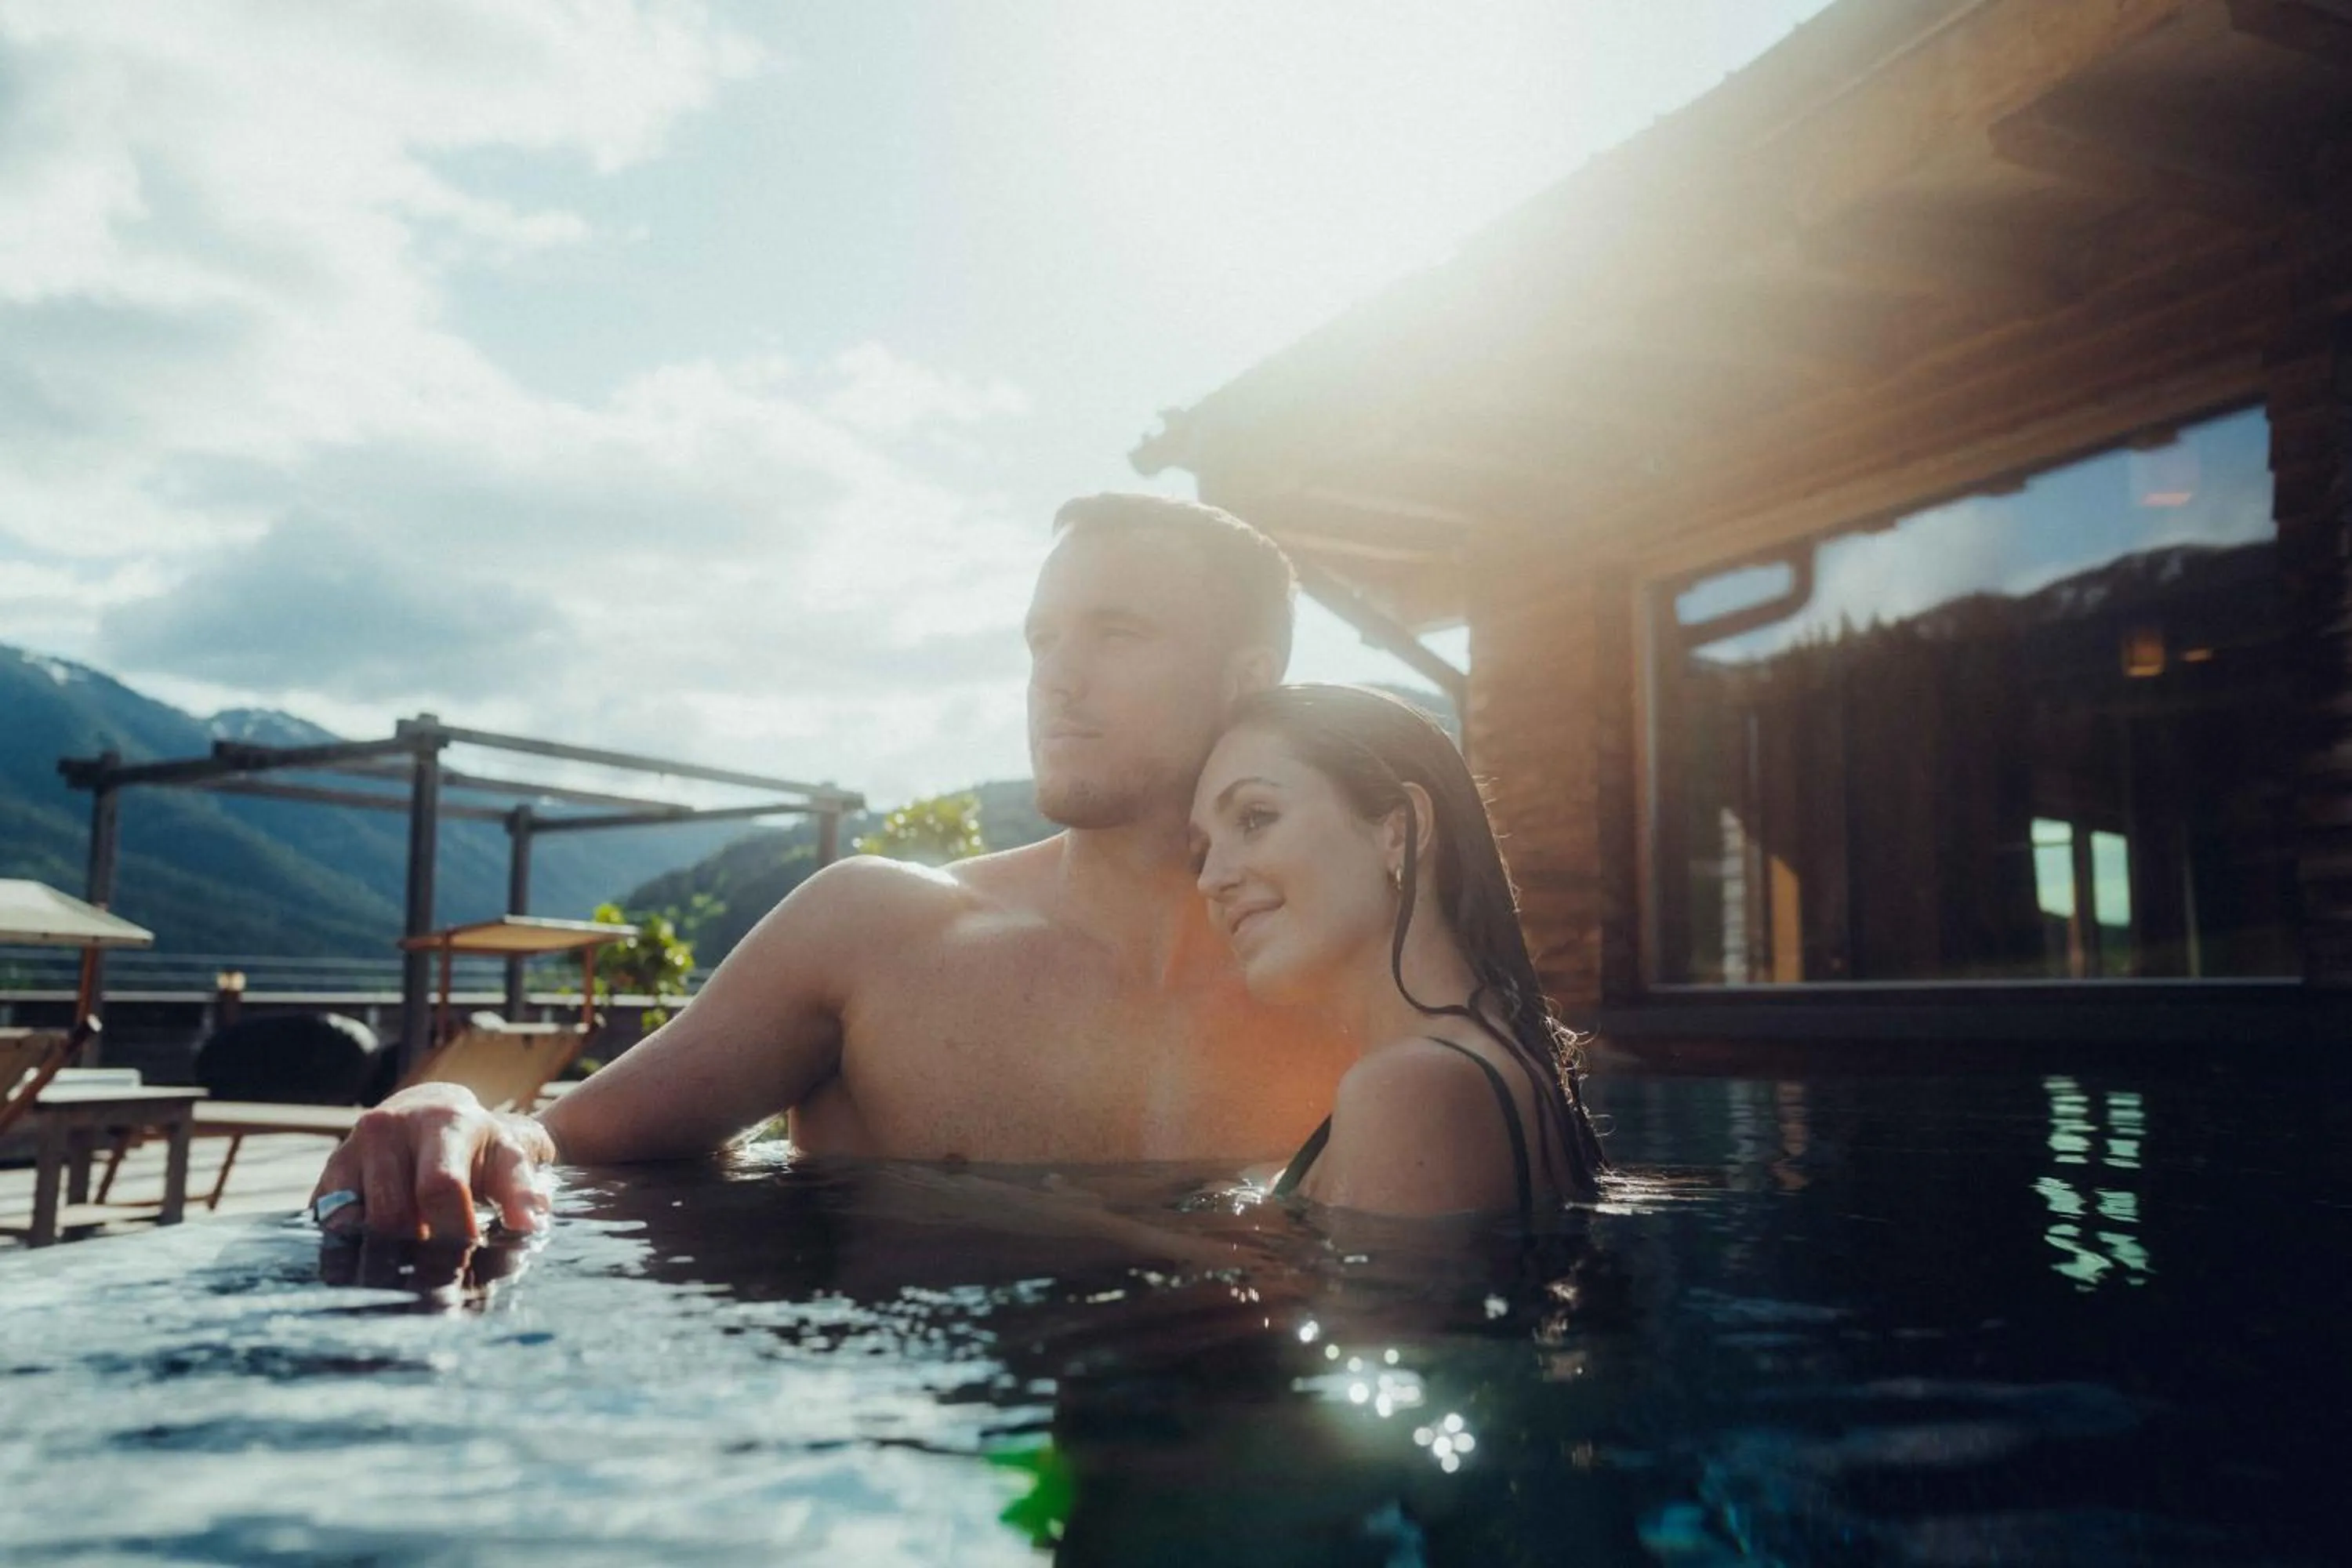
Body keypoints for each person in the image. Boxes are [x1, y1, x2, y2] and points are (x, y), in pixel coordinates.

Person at [313, 495, 1360, 1240]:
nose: (1059, 681)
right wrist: (445, 1112)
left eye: (1117, 634)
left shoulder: (1354, 989)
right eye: (1041, 640)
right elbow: (552, 1140)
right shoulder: (881, 932)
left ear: (1247, 680)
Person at [1190, 684, 1605, 1218]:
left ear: (1399, 830)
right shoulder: (1504, 1061)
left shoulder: (1408, 1087)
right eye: (1200, 853)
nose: (1209, 880)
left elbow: (1378, 1301)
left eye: (1255, 817)